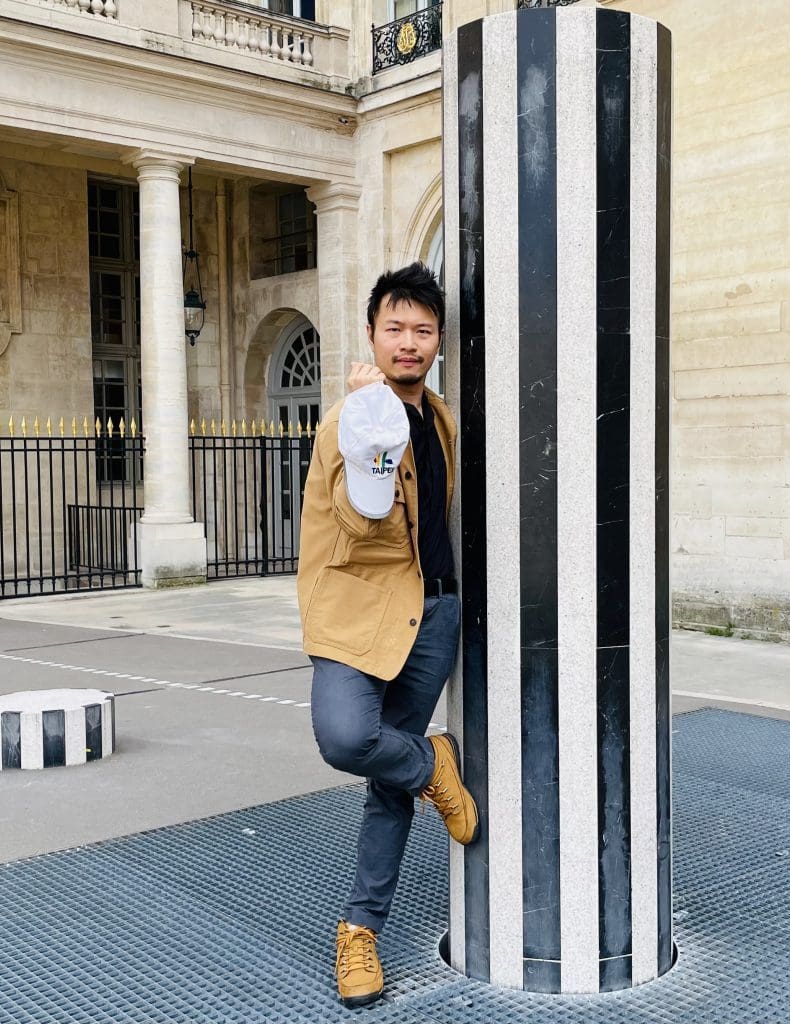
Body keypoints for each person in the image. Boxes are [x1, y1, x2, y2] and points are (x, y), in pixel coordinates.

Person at [297, 261, 479, 1008]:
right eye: (395, 328)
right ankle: (435, 762)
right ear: (371, 334)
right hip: (354, 613)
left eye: (423, 330)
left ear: (438, 340)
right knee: (347, 737)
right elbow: (359, 519)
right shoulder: (352, 421)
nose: (409, 342)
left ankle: (360, 931)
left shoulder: (441, 418)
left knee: (386, 781)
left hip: (432, 614)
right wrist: (373, 433)